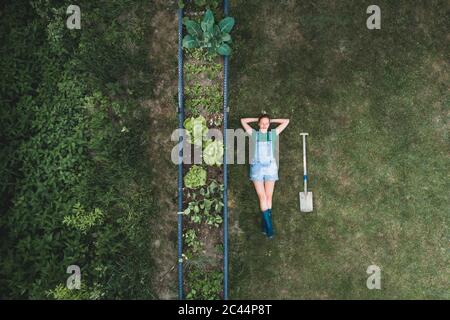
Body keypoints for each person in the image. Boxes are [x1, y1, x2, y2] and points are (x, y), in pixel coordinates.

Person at [240, 114, 290, 239]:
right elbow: (243, 120)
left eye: (266, 124)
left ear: (268, 125)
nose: (264, 125)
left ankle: (266, 227)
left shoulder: (270, 133)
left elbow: (286, 121)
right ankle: (269, 227)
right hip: (259, 167)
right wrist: (260, 119)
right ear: (258, 123)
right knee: (263, 197)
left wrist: (270, 120)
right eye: (262, 123)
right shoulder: (256, 133)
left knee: (267, 197)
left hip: (268, 167)